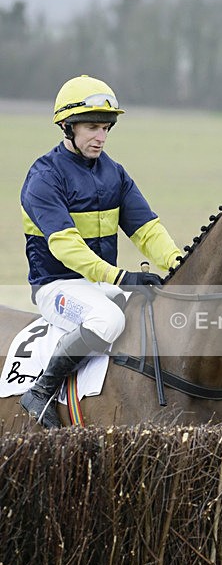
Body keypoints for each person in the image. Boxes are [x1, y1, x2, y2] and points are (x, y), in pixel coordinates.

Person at [19, 74, 182, 429]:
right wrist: (120, 276)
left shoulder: (114, 174)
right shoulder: (44, 177)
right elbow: (65, 245)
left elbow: (147, 229)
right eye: (93, 127)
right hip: (57, 287)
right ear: (68, 127)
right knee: (107, 320)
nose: (101, 137)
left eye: (106, 128)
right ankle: (41, 392)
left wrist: (178, 263)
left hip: (99, 286)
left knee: (152, 308)